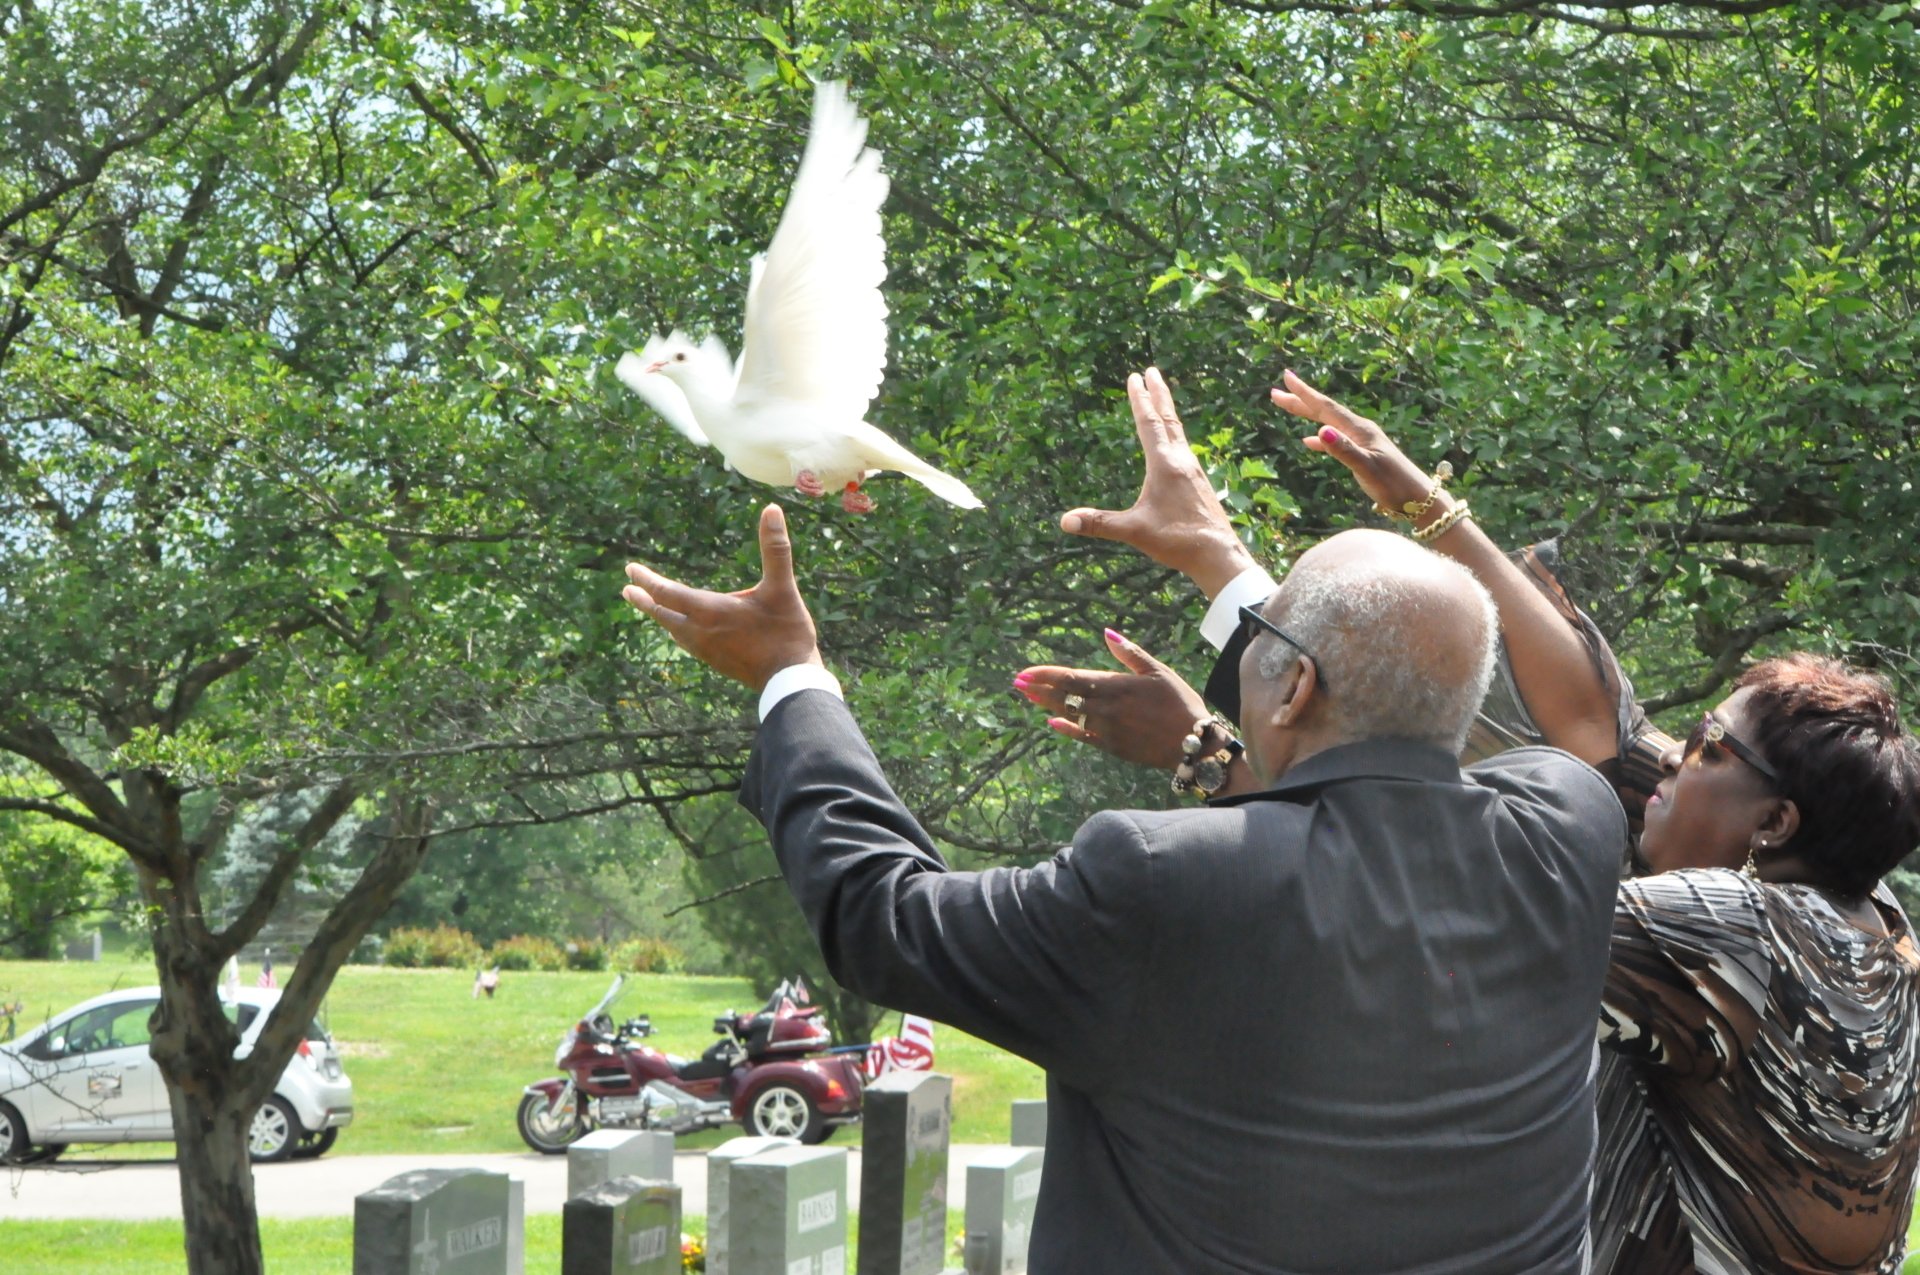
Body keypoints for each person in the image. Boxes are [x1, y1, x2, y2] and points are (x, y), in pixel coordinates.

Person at [622, 374, 1627, 1273]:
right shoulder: (1570, 832)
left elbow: (885, 917)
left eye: (1269, 636)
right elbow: (1389, 704)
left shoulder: (1154, 878)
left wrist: (793, 678)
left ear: (1293, 684)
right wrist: (1220, 568)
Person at [1030, 367, 1920, 1273]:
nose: (1673, 759)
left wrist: (1211, 755)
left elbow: (1419, 905)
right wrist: (1411, 513)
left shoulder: (1735, 935)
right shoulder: (1869, 915)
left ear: (1774, 819)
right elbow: (1595, 727)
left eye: (1707, 748)